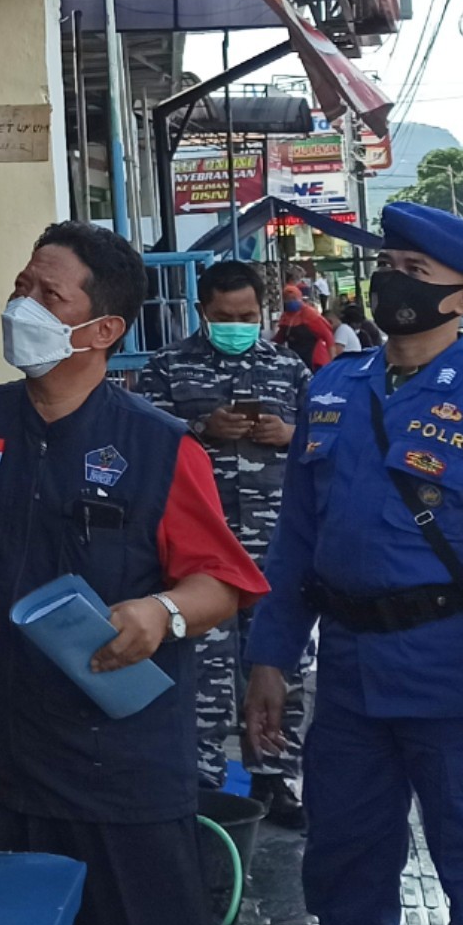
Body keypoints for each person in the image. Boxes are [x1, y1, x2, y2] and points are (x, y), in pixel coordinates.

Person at [0, 222, 267, 925]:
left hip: (122, 771)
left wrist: (163, 612)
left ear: (103, 328)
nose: (22, 304)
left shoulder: (158, 445)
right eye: (21, 286)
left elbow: (223, 582)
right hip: (4, 760)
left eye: (48, 293)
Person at [245, 202, 463, 925]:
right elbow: (297, 538)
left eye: (416, 272)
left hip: (460, 683)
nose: (393, 280)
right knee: (344, 873)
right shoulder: (333, 389)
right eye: (390, 265)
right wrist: (270, 655)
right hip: (350, 681)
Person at [136, 259, 314, 824]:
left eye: (246, 316)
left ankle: (275, 778)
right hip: (200, 556)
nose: (236, 324)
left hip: (272, 551)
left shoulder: (289, 369)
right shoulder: (167, 368)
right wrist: (202, 428)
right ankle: (202, 785)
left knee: (278, 665)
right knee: (202, 674)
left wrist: (290, 435)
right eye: (223, 317)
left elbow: (327, 447)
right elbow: (141, 441)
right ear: (202, 312)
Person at [275, 281, 339, 370]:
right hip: (296, 360)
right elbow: (279, 338)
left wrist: (333, 361)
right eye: (287, 299)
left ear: (299, 298)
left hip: (315, 360)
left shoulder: (310, 314)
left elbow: (328, 336)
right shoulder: (286, 317)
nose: (290, 301)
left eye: (293, 298)